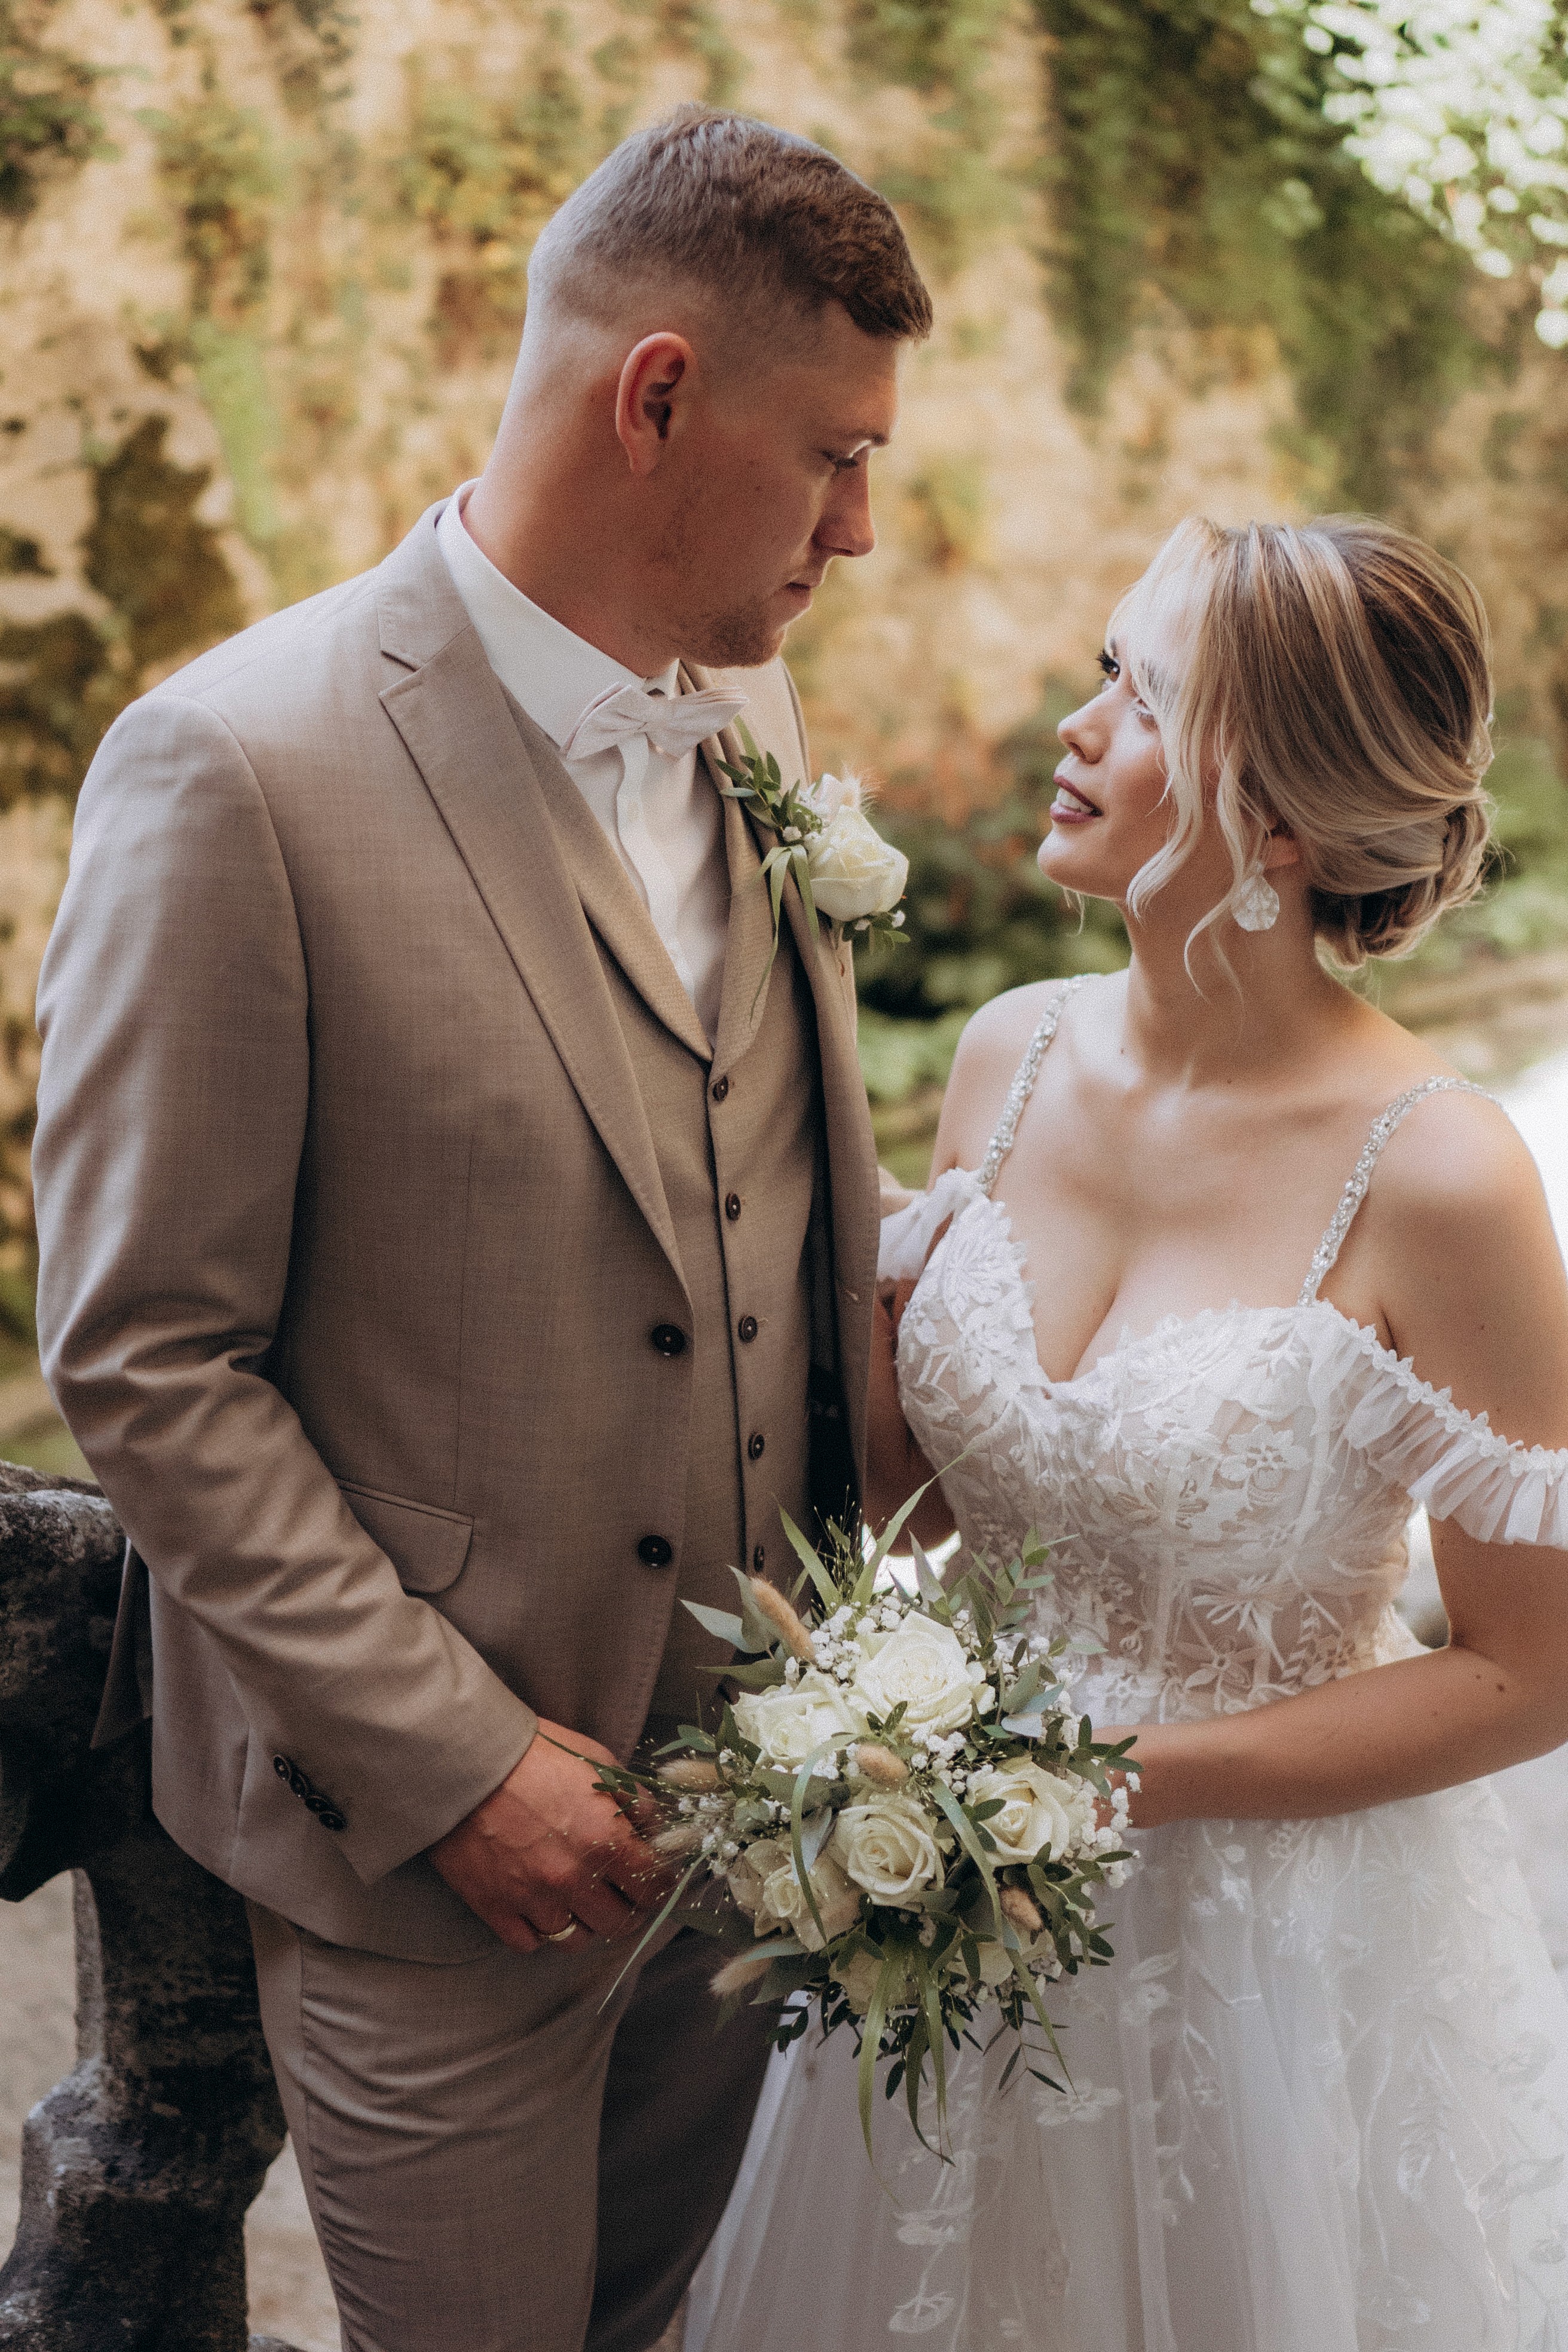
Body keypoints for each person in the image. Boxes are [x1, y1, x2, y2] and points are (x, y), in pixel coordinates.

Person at [30, 108, 931, 2352]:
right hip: (435, 1869)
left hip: (760, 1822)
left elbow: (772, 1192)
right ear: (655, 397)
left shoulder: (752, 710)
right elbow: (147, 1355)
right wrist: (456, 1765)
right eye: (832, 456)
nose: (862, 527)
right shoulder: (232, 765)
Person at [686, 516, 1568, 2352]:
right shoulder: (1005, 1058)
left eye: (1142, 697)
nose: (1075, 727)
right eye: (1100, 670)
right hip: (941, 1917)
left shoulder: (1446, 1174)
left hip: (1270, 1966)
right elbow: (922, 1484)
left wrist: (1112, 1782)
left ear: (1283, 825)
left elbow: (1532, 1673)